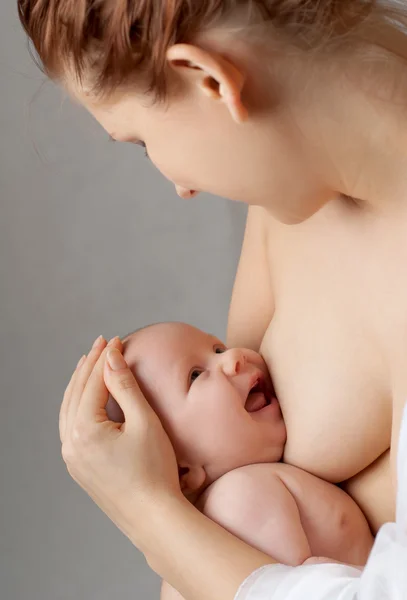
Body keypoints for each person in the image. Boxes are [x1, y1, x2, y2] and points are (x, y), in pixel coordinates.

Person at [18, 1, 407, 598]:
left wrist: (148, 511)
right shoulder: (293, 195)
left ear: (209, 79)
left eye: (144, 142)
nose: (181, 186)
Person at [104, 321, 373, 600]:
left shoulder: (188, 554)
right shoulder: (238, 497)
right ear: (181, 469)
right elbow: (298, 590)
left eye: (219, 348)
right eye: (195, 375)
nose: (234, 357)